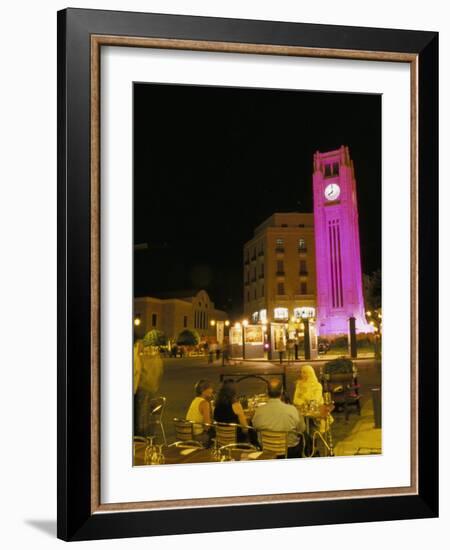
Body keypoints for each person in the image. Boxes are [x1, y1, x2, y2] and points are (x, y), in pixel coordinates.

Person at [252, 378, 305, 458]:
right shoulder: (292, 410)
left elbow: (254, 427)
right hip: (290, 452)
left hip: (267, 452)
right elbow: (302, 429)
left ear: (267, 391)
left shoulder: (259, 411)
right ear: (282, 391)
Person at [293, 365, 332, 434]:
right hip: (302, 409)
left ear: (310, 373)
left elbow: (315, 400)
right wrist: (305, 402)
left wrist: (304, 396)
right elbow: (295, 400)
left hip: (316, 410)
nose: (302, 375)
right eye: (301, 372)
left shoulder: (317, 386)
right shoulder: (299, 384)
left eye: (304, 372)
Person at [186, 379, 214, 446]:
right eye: (210, 388)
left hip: (188, 434)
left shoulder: (195, 400)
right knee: (218, 433)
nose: (212, 390)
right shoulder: (204, 403)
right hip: (198, 436)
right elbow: (207, 426)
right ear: (203, 391)